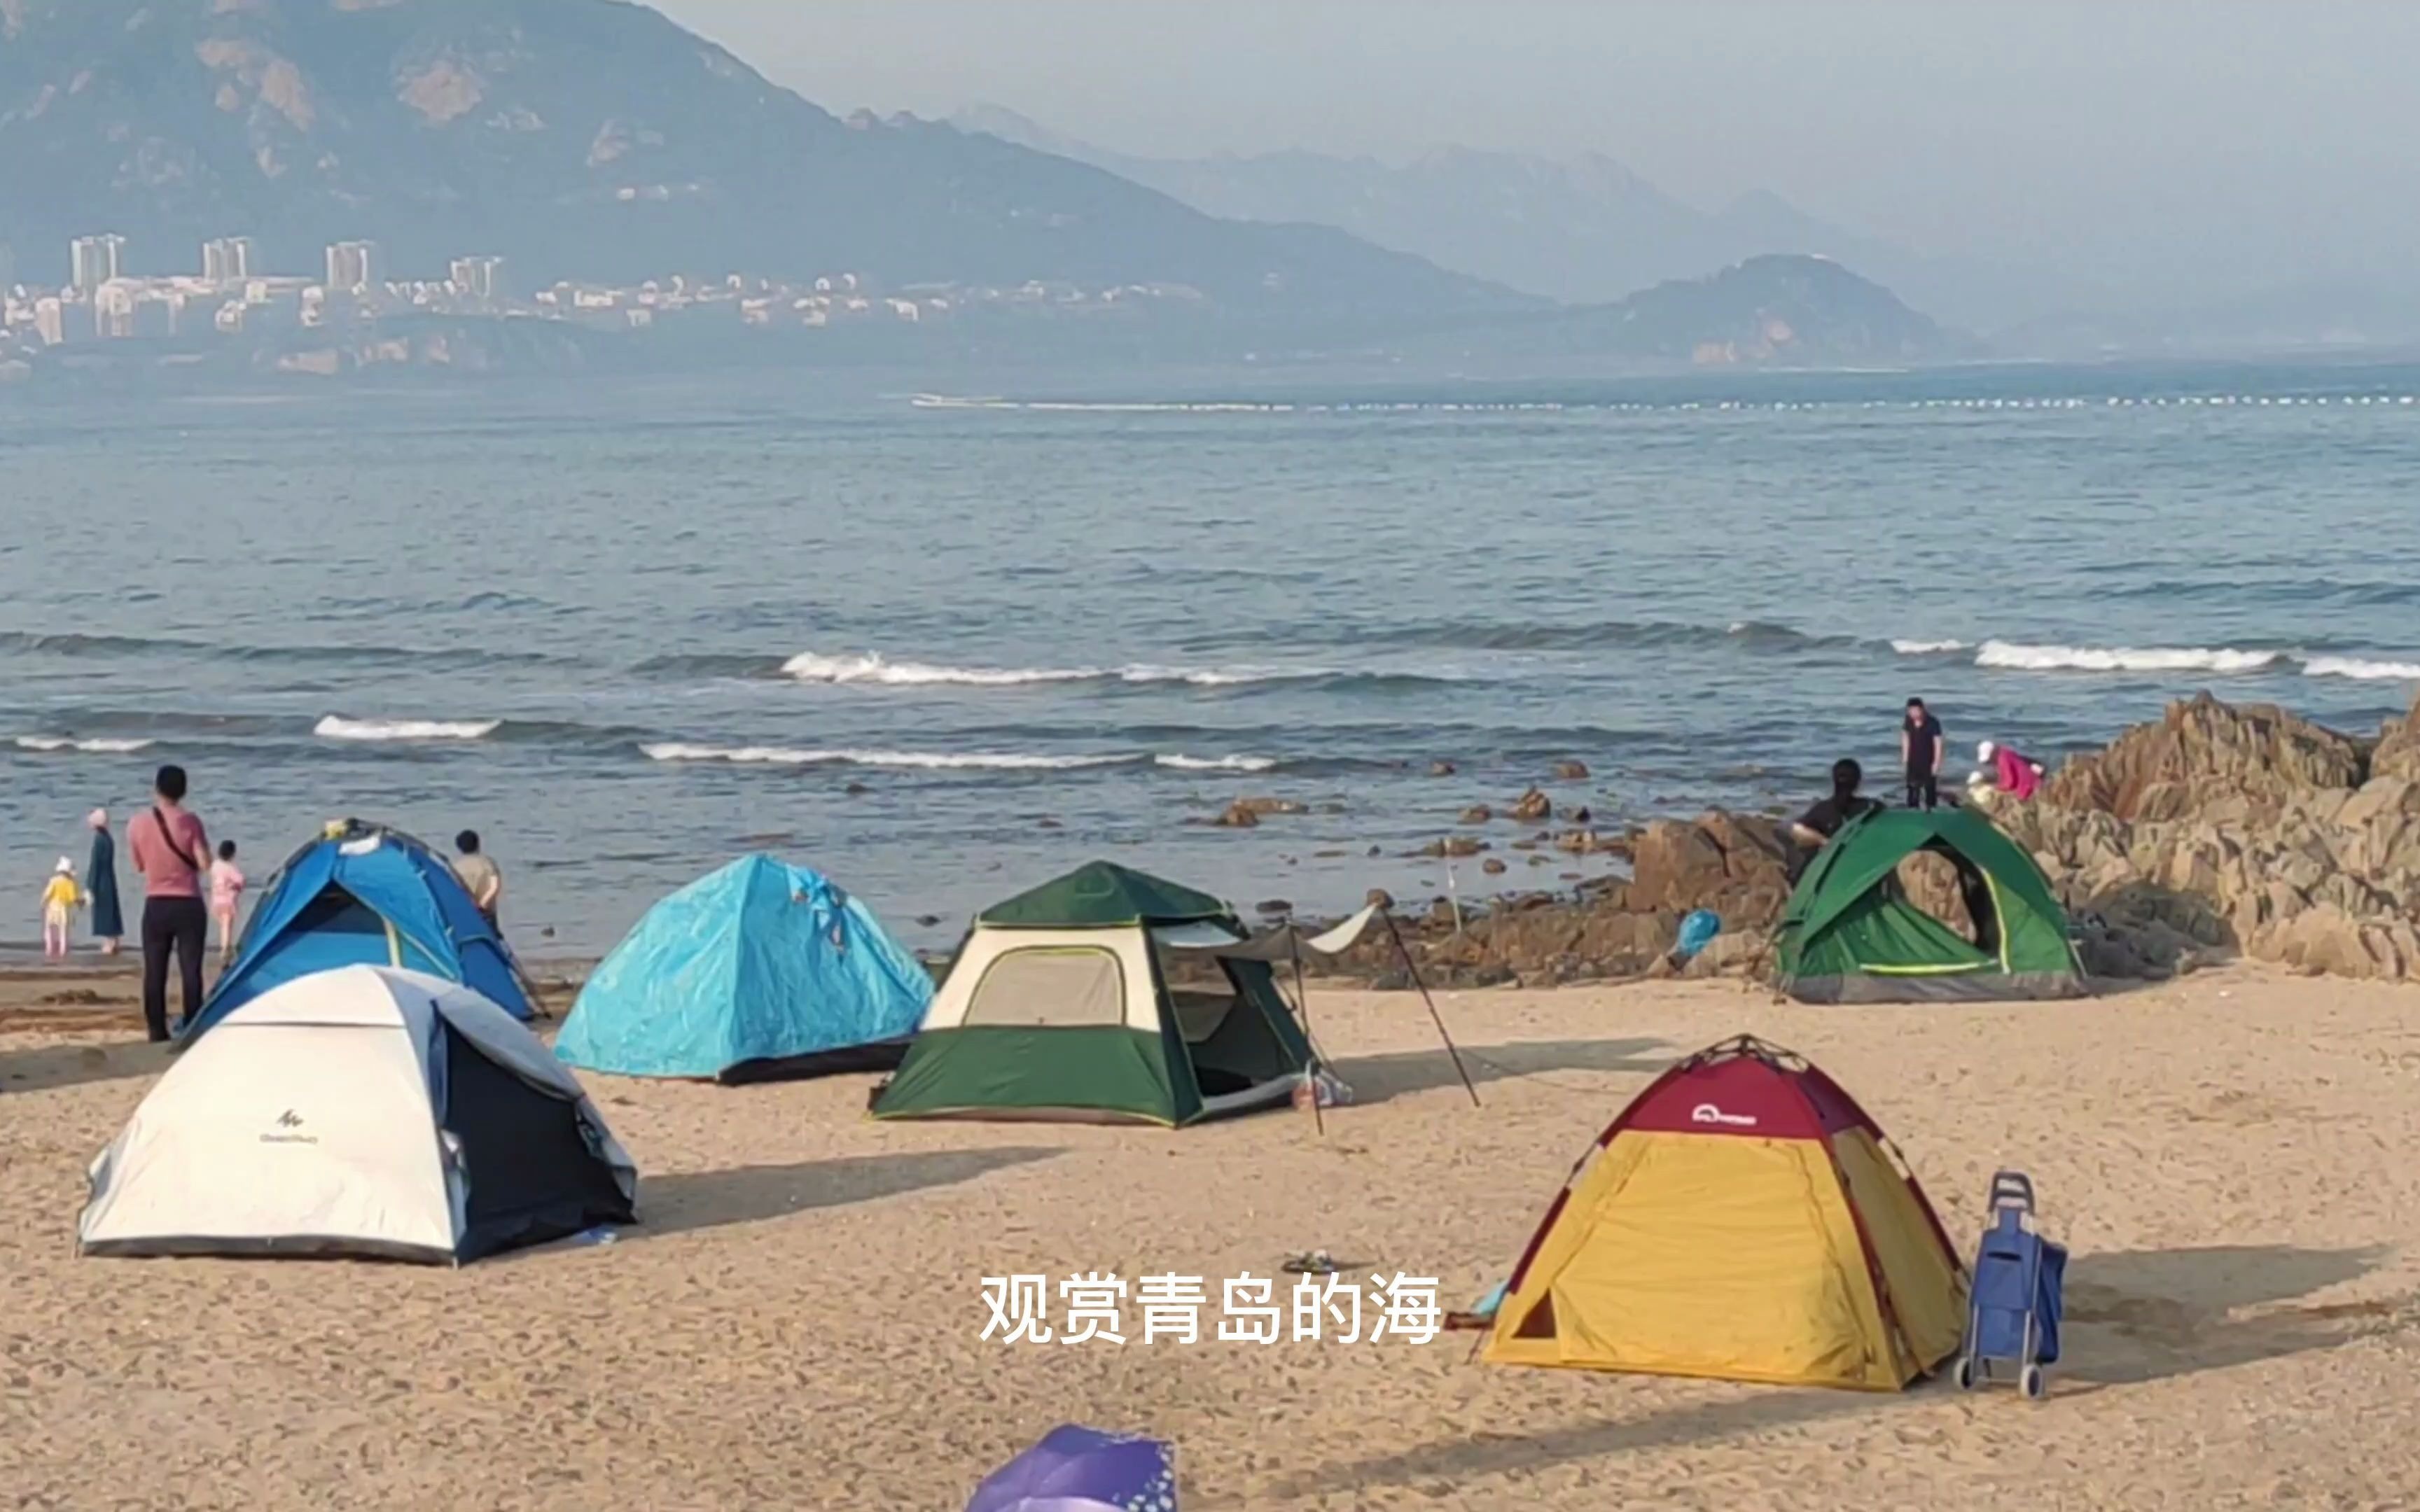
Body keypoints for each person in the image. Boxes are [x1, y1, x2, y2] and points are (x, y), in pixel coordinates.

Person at [129, 764, 210, 1042]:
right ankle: (192, 1025)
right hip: (188, 902)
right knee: (190, 969)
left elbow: (139, 864)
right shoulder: (191, 822)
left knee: (154, 970)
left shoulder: (137, 823)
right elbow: (204, 863)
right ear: (184, 790)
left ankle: (156, 1029)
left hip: (156, 902)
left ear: (157, 788)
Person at [84, 807, 123, 955]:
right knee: (111, 908)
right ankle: (115, 939)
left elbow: (95, 865)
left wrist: (90, 885)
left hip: (101, 881)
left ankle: (110, 942)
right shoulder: (108, 838)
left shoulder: (99, 840)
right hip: (109, 878)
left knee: (104, 911)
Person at [1900, 696, 1945, 810]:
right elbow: (1906, 738)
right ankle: (1912, 811)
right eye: (1911, 711)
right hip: (1913, 760)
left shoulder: (1933, 722)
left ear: (1922, 709)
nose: (1913, 713)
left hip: (1928, 761)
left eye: (1916, 710)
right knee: (1912, 790)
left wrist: (1936, 763)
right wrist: (1905, 759)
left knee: (1930, 791)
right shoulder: (1908, 721)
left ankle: (1931, 811)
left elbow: (1938, 743)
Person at [209, 839, 246, 969]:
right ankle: (225, 953)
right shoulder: (230, 868)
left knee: (222, 927)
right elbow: (241, 881)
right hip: (228, 902)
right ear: (232, 854)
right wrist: (237, 887)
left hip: (216, 901)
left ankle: (224, 950)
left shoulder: (215, 865)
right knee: (227, 928)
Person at [453, 830, 502, 928]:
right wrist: (483, 904)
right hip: (487, 912)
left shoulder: (456, 868)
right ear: (478, 844)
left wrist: (471, 904)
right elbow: (495, 887)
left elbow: (456, 890)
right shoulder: (488, 863)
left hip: (467, 912)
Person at [41, 857, 84, 962]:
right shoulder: (71, 883)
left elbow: (47, 894)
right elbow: (74, 898)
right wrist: (81, 903)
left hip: (51, 907)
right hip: (63, 909)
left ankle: (49, 949)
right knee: (63, 932)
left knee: (50, 930)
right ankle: (63, 951)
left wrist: (43, 903)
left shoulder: (53, 881)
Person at [1973, 739, 2045, 802]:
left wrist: (1994, 788)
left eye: (1989, 761)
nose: (1990, 763)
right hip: (2034, 784)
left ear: (1994, 753)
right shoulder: (2006, 752)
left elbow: (2009, 783)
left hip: (2028, 790)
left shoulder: (2003, 759)